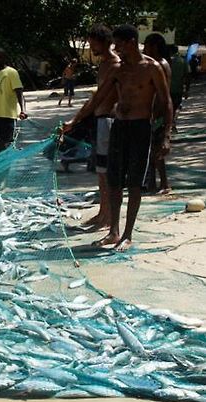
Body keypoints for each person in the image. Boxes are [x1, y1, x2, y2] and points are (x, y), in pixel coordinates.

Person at [63, 24, 172, 252]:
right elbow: (97, 99)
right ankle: (113, 231)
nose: (117, 49)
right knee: (114, 182)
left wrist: (165, 136)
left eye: (120, 44)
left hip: (141, 128)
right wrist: (75, 120)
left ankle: (127, 234)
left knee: (133, 185)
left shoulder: (152, 68)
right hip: (119, 128)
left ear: (131, 42)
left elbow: (166, 101)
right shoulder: (118, 70)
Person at [82, 24, 120, 229]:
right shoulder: (103, 64)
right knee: (100, 171)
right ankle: (102, 212)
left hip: (108, 121)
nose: (92, 47)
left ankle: (108, 217)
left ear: (106, 42)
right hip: (99, 120)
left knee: (107, 172)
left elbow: (101, 96)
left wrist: (78, 118)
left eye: (93, 43)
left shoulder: (115, 64)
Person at [143, 33, 172, 194]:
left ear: (153, 46)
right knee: (152, 151)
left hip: (159, 114)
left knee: (157, 151)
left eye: (146, 46)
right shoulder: (154, 64)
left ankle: (164, 184)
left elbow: (162, 95)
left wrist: (157, 114)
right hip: (153, 113)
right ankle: (152, 183)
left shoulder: (160, 65)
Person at [170, 46, 190, 133]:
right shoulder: (183, 61)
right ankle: (173, 122)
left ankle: (168, 126)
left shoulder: (167, 61)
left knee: (168, 108)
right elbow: (188, 76)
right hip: (178, 89)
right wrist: (187, 90)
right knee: (177, 107)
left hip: (167, 89)